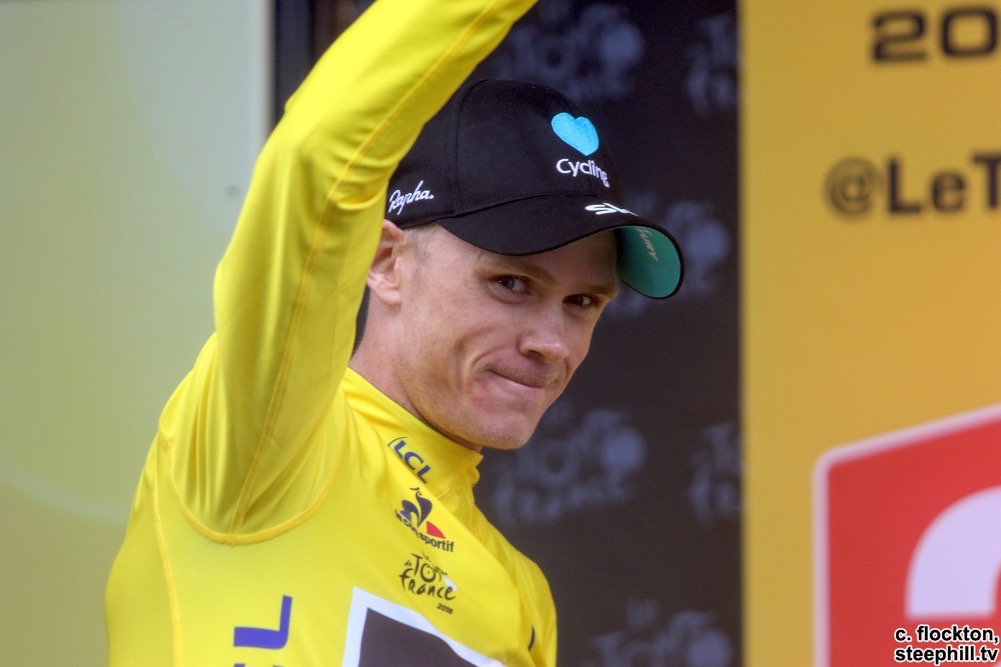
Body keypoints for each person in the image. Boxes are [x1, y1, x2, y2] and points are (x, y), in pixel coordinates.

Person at [105, 0, 682, 664]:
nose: (550, 342)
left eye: (581, 301)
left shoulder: (522, 597)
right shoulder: (268, 444)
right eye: (511, 283)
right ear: (385, 261)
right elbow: (319, 152)